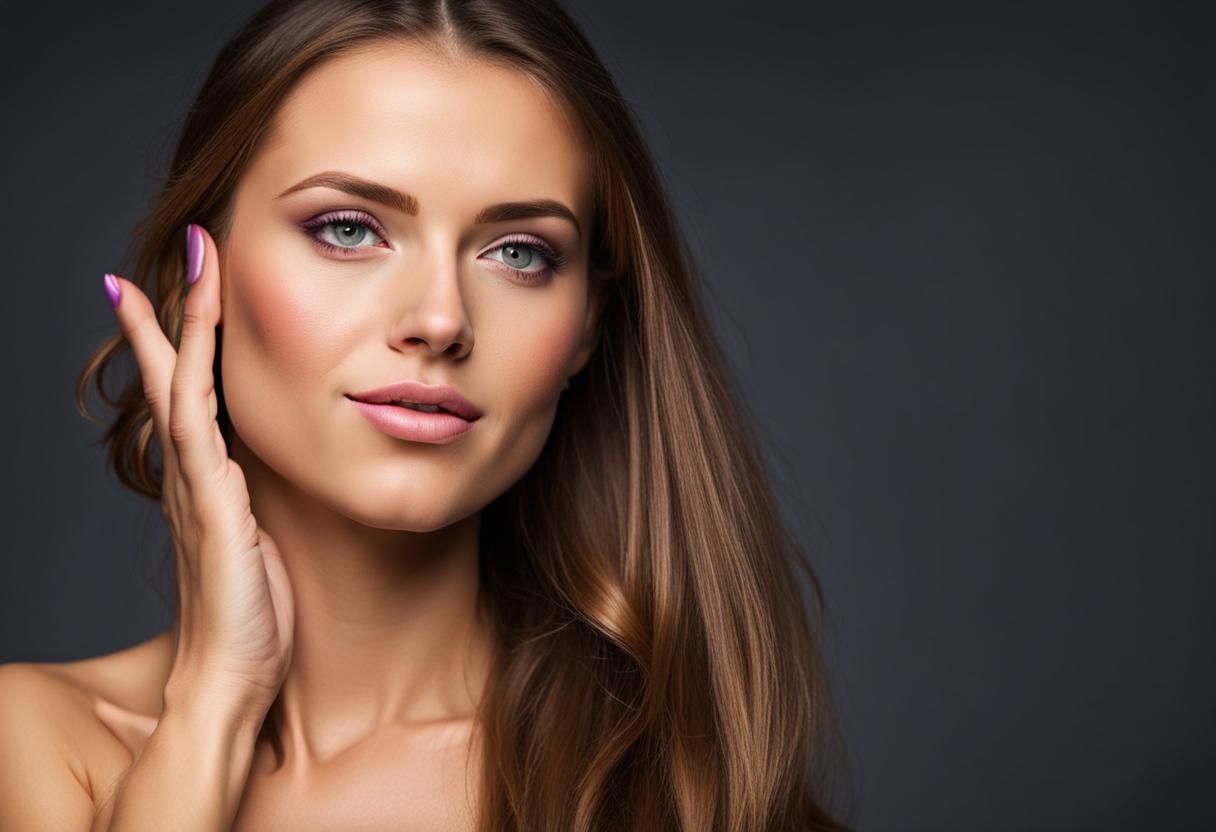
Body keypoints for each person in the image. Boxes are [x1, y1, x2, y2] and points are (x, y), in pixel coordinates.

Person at [0, 0, 853, 829]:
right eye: (347, 229)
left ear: (589, 324)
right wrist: (214, 703)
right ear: (200, 271)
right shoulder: (35, 745)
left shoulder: (695, 791)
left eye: (518, 252)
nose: (442, 319)